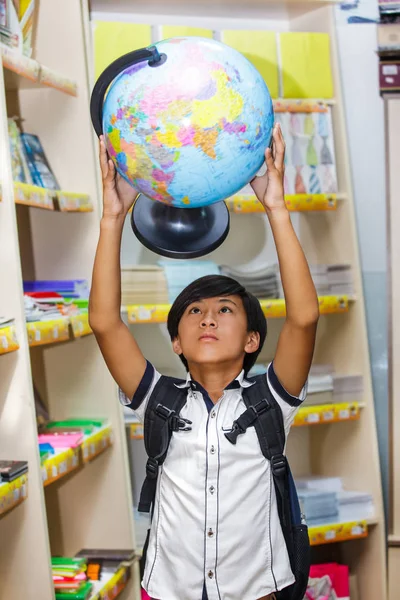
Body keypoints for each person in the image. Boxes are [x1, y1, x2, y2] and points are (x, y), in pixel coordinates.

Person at [89, 123, 319, 600]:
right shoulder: (158, 399)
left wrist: (275, 207)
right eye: (193, 311)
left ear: (254, 339)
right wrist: (113, 218)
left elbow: (304, 317)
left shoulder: (271, 402)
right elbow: (105, 323)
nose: (207, 319)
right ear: (176, 342)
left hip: (259, 592)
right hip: (171, 591)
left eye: (225, 310)